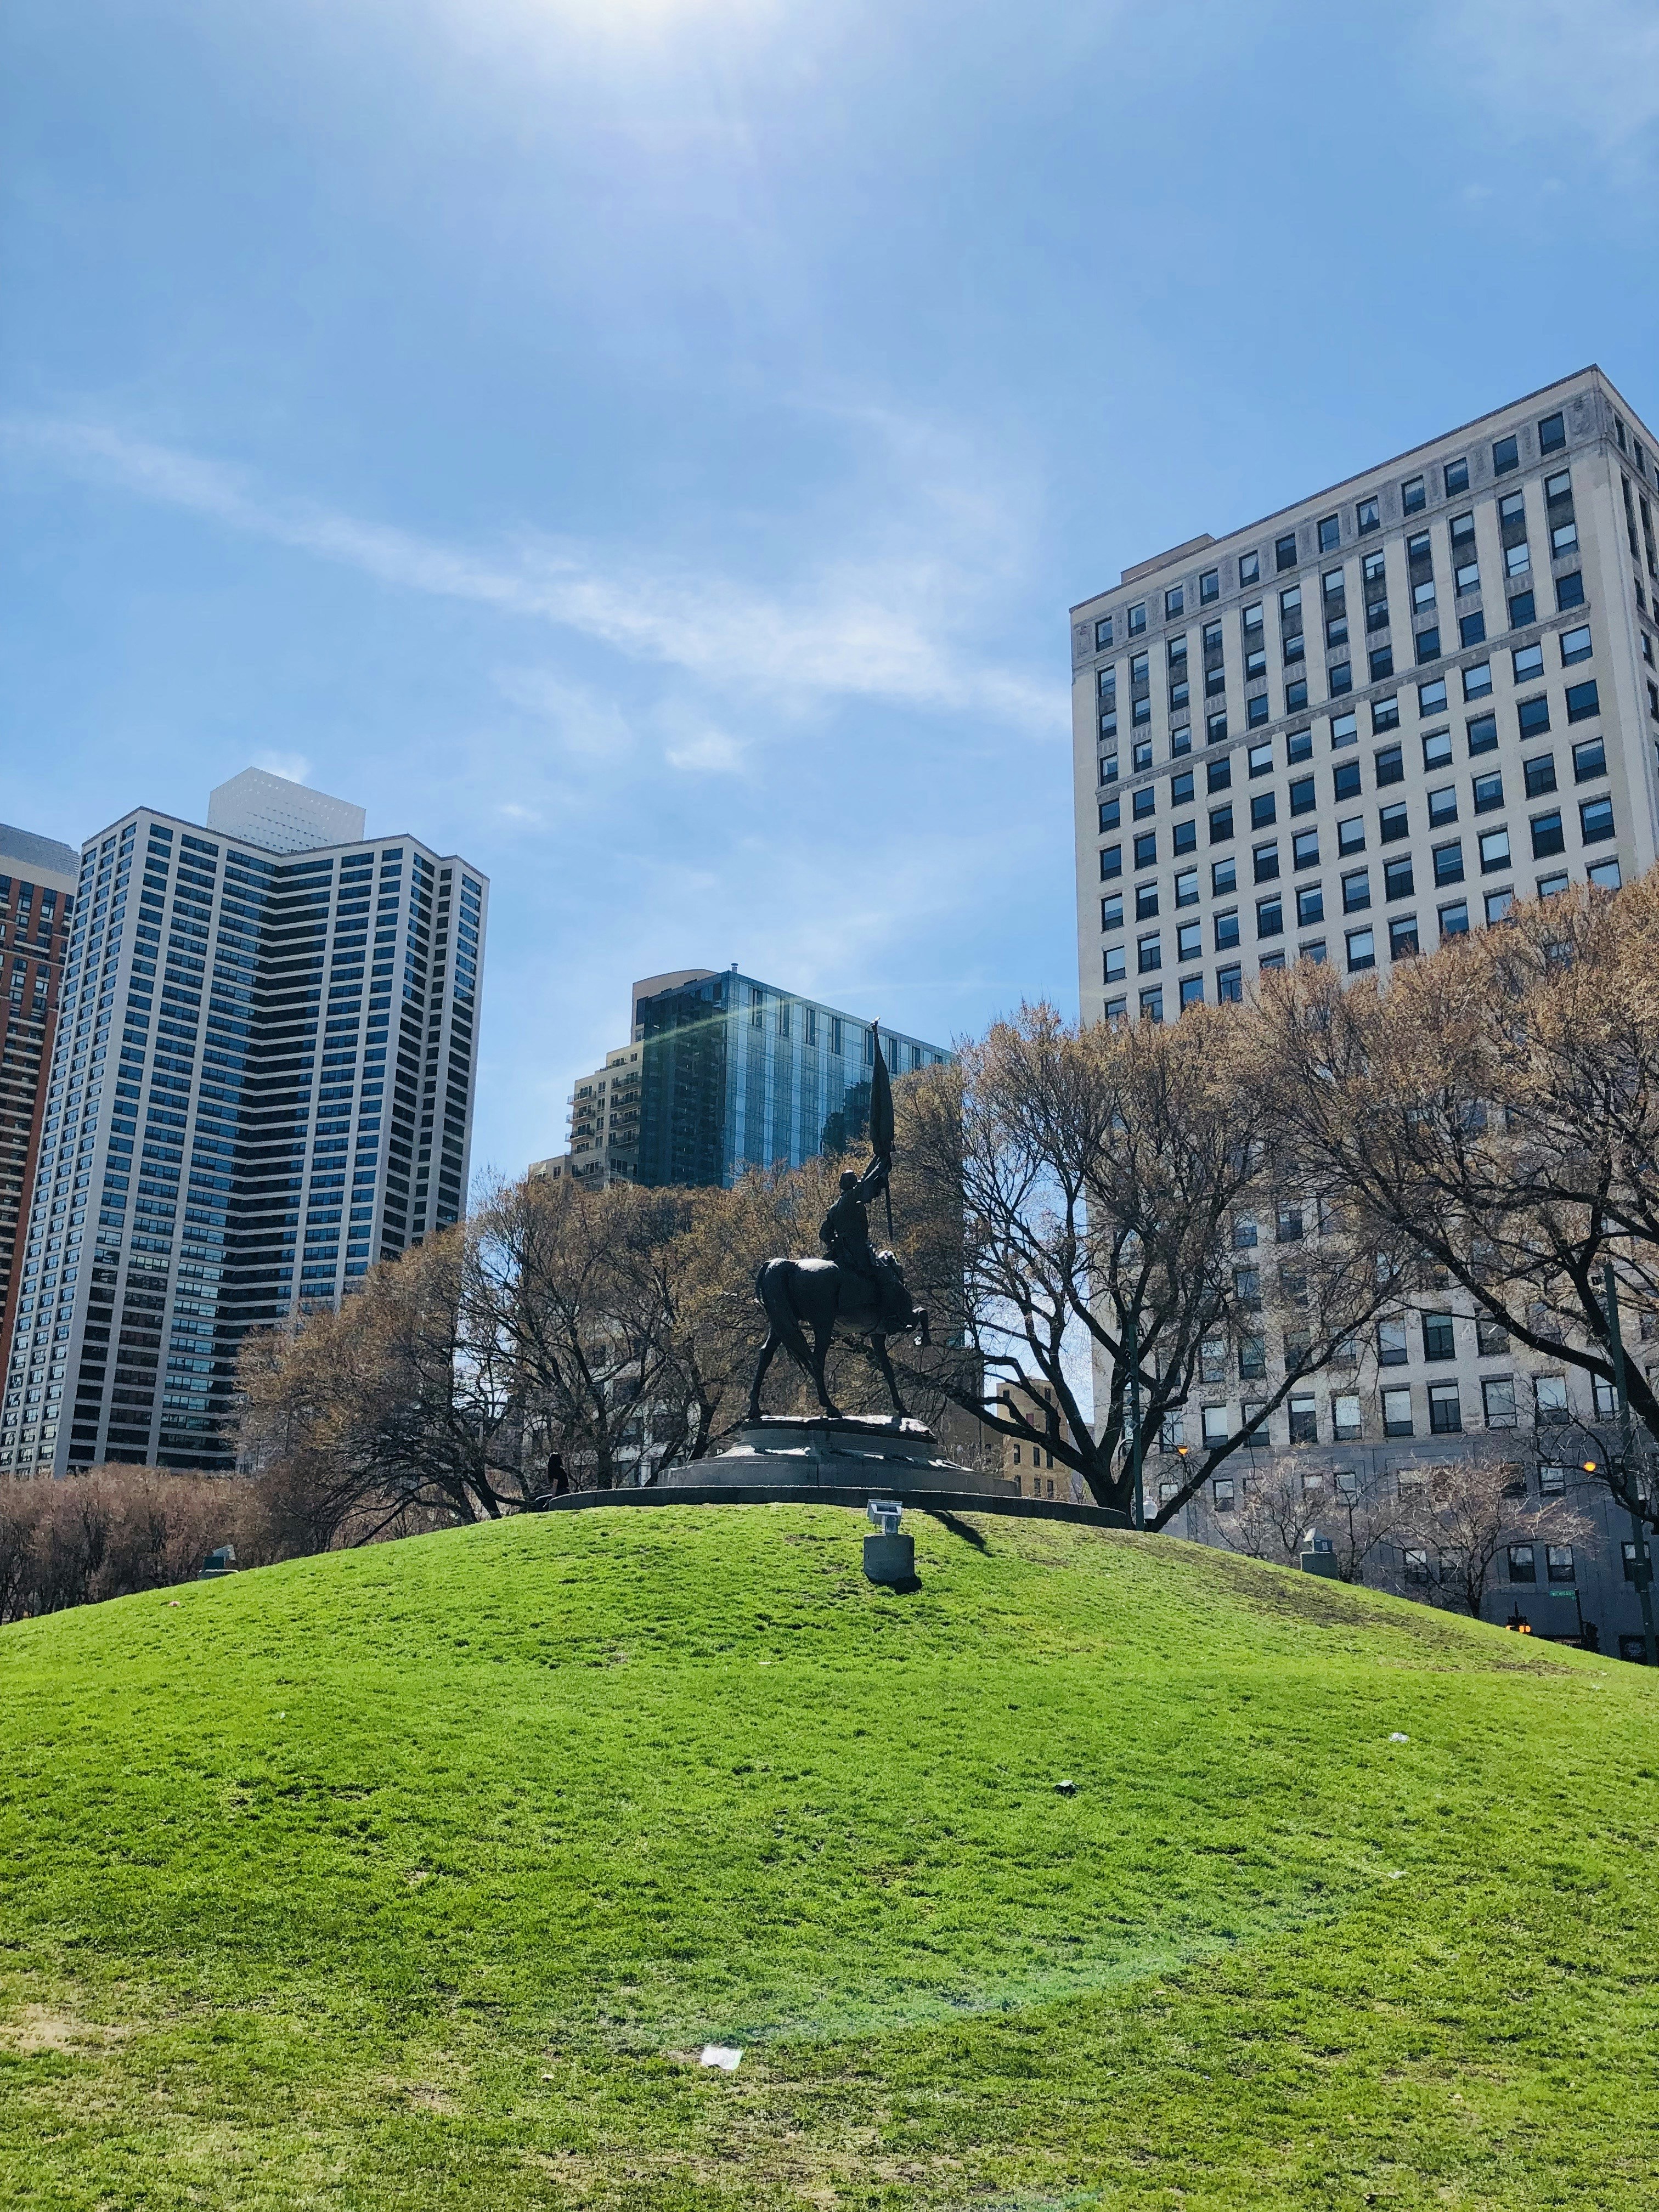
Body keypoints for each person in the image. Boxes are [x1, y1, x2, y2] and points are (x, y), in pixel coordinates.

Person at [819, 1156, 908, 1329]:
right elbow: (868, 1181)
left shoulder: (833, 1207)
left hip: (840, 1252)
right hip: (858, 1249)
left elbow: (824, 1233)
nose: (858, 1181)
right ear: (852, 1184)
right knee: (886, 1275)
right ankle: (889, 1317)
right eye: (855, 1180)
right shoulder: (853, 1197)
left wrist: (834, 1241)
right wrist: (882, 1164)